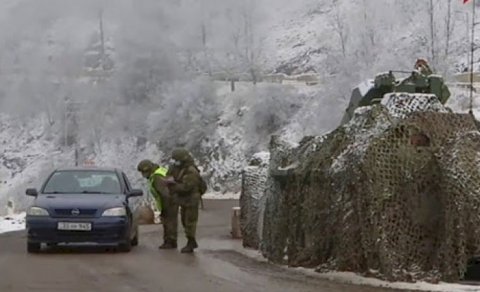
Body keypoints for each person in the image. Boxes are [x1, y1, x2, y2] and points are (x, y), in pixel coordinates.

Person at [167, 148, 203, 253]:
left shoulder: (191, 171)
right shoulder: (178, 168)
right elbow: (170, 175)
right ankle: (190, 241)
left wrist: (173, 185)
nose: (175, 162)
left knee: (190, 222)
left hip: (191, 199)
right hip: (183, 200)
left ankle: (191, 242)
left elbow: (186, 187)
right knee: (184, 221)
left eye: (176, 160)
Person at [137, 159, 178, 249]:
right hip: (172, 201)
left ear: (147, 170)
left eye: (143, 173)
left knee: (169, 222)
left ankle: (170, 242)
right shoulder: (160, 172)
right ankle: (170, 241)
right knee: (170, 222)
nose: (143, 175)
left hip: (169, 203)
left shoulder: (156, 178)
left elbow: (165, 194)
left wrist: (164, 208)